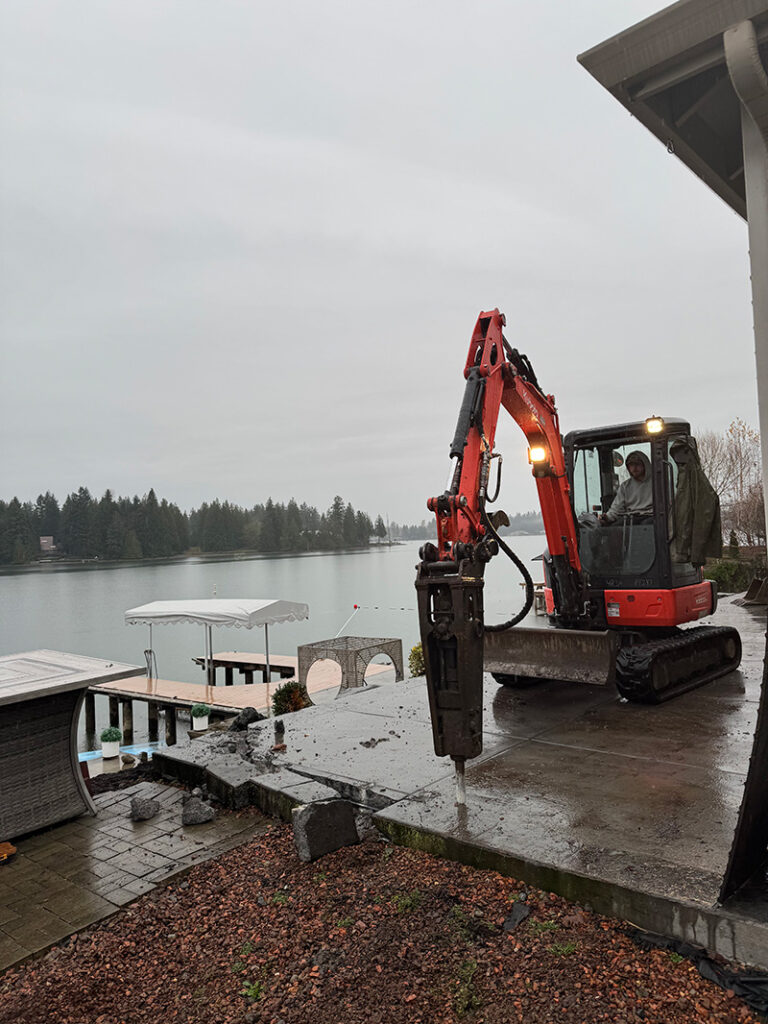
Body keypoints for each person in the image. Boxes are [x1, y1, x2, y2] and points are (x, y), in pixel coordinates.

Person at [600, 451, 653, 524]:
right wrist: (607, 517)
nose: (634, 468)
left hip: (651, 516)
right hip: (631, 518)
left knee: (646, 525)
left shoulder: (656, 483)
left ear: (645, 465)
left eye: (637, 464)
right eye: (631, 465)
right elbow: (616, 508)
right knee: (616, 527)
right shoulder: (625, 486)